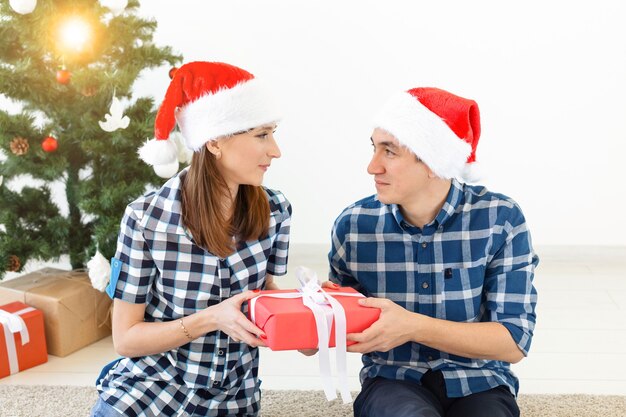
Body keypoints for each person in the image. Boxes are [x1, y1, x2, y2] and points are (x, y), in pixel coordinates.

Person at [91, 61, 291, 417]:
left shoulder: (276, 211)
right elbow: (126, 338)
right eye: (262, 134)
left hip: (232, 397)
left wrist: (313, 313)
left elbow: (267, 293)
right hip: (153, 387)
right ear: (215, 141)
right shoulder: (146, 219)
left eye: (272, 133)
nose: (275, 150)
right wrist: (211, 318)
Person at [328, 87, 538, 417]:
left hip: (479, 380)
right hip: (392, 381)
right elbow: (338, 328)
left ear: (433, 163)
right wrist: (316, 315)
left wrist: (411, 326)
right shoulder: (354, 226)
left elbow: (512, 342)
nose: (372, 166)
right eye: (374, 148)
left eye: (390, 152)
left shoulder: (500, 219)